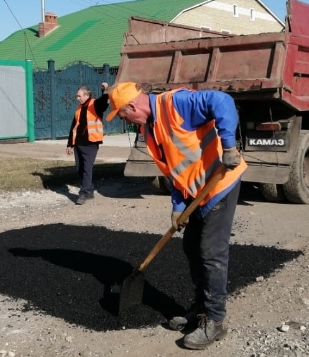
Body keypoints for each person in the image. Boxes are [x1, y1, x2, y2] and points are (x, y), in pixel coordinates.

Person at [105, 82, 246, 350]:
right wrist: (178, 205)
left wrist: (228, 145)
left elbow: (223, 101)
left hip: (220, 182)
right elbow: (176, 167)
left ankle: (214, 321)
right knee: (191, 246)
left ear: (133, 106)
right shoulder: (150, 129)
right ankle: (200, 308)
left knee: (210, 251)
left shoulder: (175, 104)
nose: (126, 121)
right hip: (196, 191)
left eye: (124, 116)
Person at [66, 82, 109, 205]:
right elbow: (73, 126)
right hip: (78, 143)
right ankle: (89, 189)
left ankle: (83, 193)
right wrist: (70, 144)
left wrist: (105, 90)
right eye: (77, 96)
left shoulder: (95, 104)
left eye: (79, 96)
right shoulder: (79, 108)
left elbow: (104, 101)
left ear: (86, 95)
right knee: (80, 169)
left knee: (87, 169)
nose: (77, 98)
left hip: (91, 143)